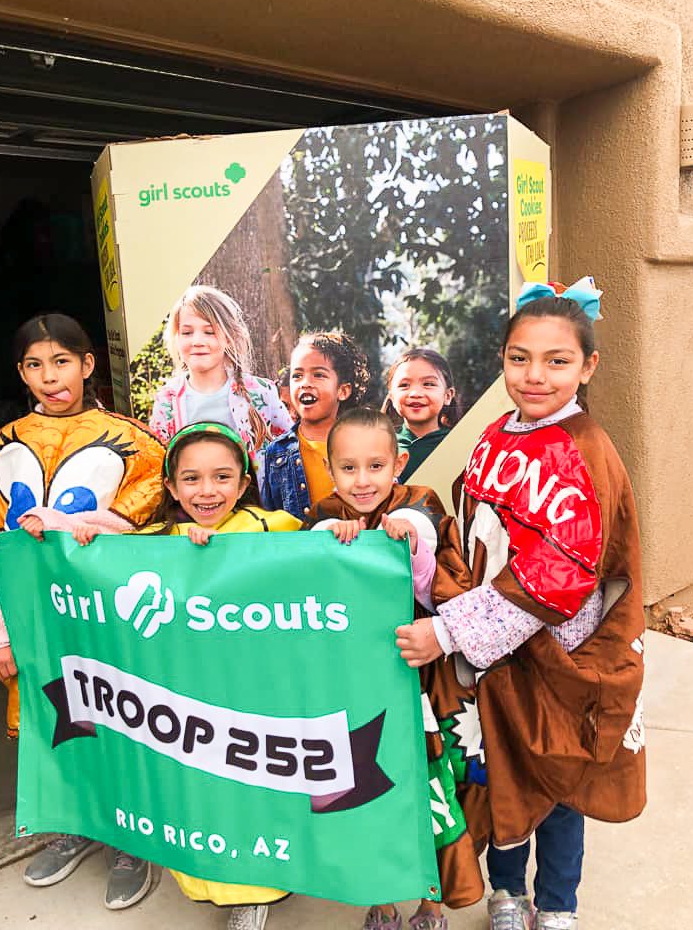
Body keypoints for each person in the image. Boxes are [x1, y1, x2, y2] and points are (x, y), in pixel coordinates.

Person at [396, 279, 646, 930]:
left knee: (560, 788)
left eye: (557, 360)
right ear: (502, 360)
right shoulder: (497, 436)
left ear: (587, 366)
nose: (535, 375)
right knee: (502, 773)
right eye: (519, 358)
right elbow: (475, 529)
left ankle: (557, 905)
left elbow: (558, 570)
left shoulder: (585, 447)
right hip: (500, 660)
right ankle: (507, 894)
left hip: (563, 657)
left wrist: (448, 632)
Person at [76, 421, 301, 930]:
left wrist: (344, 532)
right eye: (192, 479)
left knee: (253, 795)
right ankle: (214, 884)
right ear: (172, 488)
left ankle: (254, 894)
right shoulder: (157, 541)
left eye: (222, 477)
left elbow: (324, 557)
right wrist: (84, 541)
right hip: (183, 706)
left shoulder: (275, 527)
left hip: (256, 701)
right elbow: (102, 562)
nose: (207, 491)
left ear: (245, 483)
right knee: (199, 798)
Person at [0, 313, 165, 909]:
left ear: (88, 364)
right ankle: (73, 826)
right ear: (21, 373)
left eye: (61, 361)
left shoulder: (137, 442)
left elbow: (145, 531)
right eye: (35, 365)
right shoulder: (0, 447)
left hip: (105, 619)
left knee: (121, 717)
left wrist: (69, 525)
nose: (49, 376)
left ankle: (131, 838)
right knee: (52, 725)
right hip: (32, 619)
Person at [307, 407, 484, 930]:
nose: (363, 481)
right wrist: (325, 541)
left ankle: (431, 897)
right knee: (367, 784)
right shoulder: (323, 512)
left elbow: (444, 582)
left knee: (431, 784)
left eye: (376, 466)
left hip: (421, 677)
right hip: (356, 684)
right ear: (330, 466)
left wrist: (407, 546)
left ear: (398, 463)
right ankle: (380, 891)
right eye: (348, 468)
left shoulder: (420, 504)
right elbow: (300, 594)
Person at [148, 285, 293, 487]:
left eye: (209, 332)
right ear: (176, 337)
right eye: (187, 332)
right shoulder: (167, 400)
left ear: (230, 337)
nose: (197, 341)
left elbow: (293, 447)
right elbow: (157, 463)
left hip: (256, 510)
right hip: (194, 511)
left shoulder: (260, 392)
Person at [261, 331, 369, 520]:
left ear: (342, 391)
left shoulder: (366, 444)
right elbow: (269, 518)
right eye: (297, 376)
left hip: (355, 546)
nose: (305, 383)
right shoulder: (277, 451)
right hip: (300, 548)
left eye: (318, 375)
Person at [383, 349, 458, 483]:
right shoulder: (381, 445)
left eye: (428, 384)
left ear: (448, 396)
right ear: (392, 397)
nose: (415, 393)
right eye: (404, 385)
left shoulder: (461, 444)